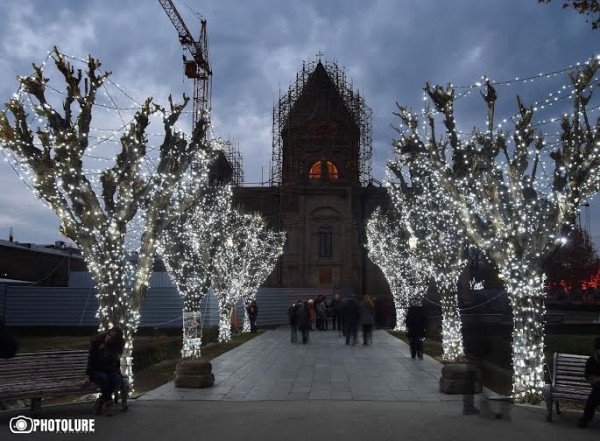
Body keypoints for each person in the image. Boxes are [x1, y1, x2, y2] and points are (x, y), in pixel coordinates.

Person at [84, 327, 125, 416]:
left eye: (113, 337)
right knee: (104, 379)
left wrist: (108, 347)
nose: (110, 337)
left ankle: (100, 401)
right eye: (110, 334)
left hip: (110, 369)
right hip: (96, 370)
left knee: (116, 380)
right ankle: (108, 405)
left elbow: (115, 360)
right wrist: (88, 375)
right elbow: (91, 359)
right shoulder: (97, 342)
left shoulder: (118, 344)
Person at [578, 337, 600, 428]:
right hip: (597, 386)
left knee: (594, 395)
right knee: (597, 392)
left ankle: (585, 418)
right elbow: (587, 376)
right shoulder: (591, 361)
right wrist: (595, 379)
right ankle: (585, 418)